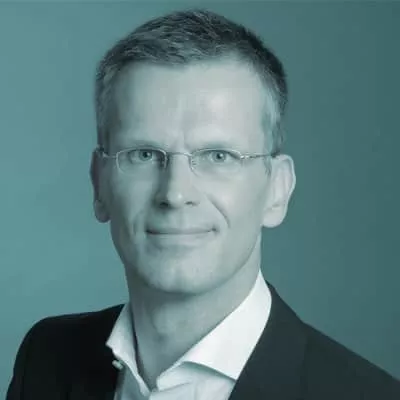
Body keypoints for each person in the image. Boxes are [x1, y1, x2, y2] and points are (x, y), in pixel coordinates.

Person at [6, 8, 400, 400]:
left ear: (277, 190)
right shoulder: (46, 360)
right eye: (144, 154)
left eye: (218, 156)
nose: (175, 194)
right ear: (99, 183)